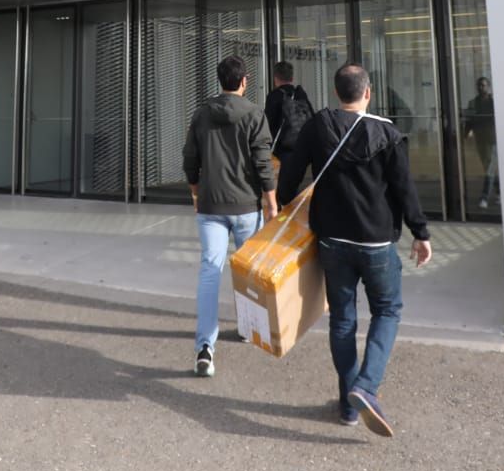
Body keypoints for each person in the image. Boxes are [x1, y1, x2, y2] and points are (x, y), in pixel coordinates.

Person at [279, 63, 431, 436]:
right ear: (368, 92)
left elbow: (291, 171)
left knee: (343, 319)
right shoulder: (388, 133)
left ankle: (349, 404)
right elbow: (403, 189)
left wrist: (284, 205)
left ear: (337, 92)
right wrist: (420, 231)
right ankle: (367, 385)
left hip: (332, 240)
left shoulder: (318, 126)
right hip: (378, 241)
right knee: (388, 310)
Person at [182, 55, 277, 379]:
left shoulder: (201, 114)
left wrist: (196, 191)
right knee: (248, 270)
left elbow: (190, 158)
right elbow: (263, 162)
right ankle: (247, 327)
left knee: (210, 270)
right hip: (247, 207)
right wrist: (272, 202)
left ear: (219, 80)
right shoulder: (254, 114)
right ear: (244, 81)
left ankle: (205, 347)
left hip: (210, 206)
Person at [264, 60, 314, 165]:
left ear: (275, 79)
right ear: (291, 78)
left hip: (282, 150)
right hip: (302, 147)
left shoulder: (274, 96)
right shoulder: (300, 94)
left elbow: (268, 123)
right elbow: (311, 117)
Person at [463, 76, 498, 209]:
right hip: (481, 139)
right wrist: (466, 133)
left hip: (493, 138)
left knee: (489, 168)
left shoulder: (493, 102)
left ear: (488, 87)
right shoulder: (473, 103)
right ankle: (499, 191)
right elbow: (469, 120)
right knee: (488, 167)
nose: (481, 88)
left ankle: (484, 197)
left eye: (484, 85)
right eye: (479, 85)